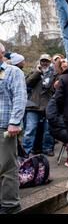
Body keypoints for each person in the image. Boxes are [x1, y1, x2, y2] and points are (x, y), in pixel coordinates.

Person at [0, 43, 27, 214]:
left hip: (4, 126)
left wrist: (14, 122)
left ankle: (10, 205)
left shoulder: (13, 72)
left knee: (7, 167)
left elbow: (19, 97)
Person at [23, 54, 57, 156]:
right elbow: (26, 84)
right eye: (43, 61)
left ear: (50, 62)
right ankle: (25, 151)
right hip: (33, 105)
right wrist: (37, 72)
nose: (44, 63)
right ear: (39, 62)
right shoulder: (33, 72)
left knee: (49, 130)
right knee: (30, 129)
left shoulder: (54, 74)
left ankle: (47, 148)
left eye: (47, 61)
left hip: (48, 105)